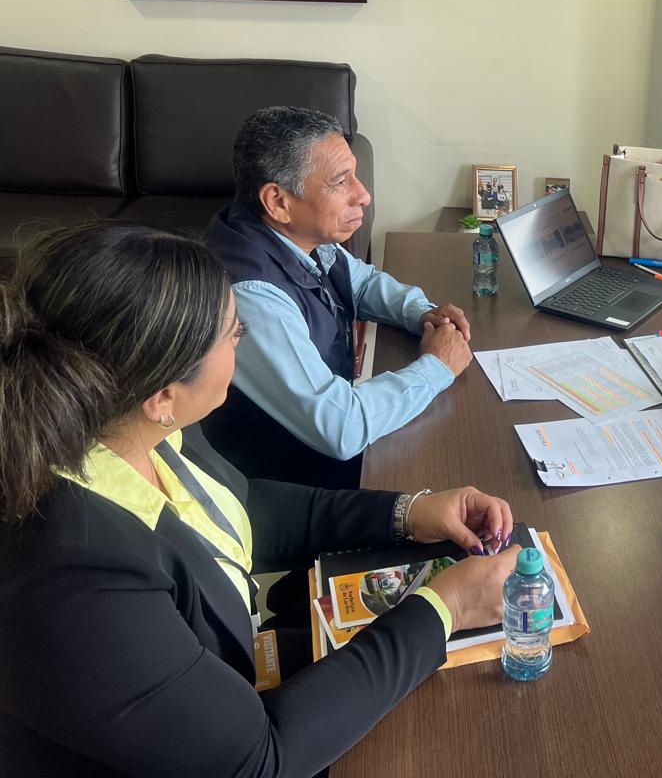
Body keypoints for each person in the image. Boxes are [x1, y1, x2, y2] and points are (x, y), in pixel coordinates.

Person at [0, 222, 519, 778]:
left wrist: (406, 512)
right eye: (234, 333)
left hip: (234, 674)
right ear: (163, 395)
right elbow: (258, 760)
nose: (243, 343)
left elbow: (243, 507)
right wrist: (446, 608)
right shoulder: (75, 579)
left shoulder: (134, 426)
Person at [203, 106, 474, 489]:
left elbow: (360, 283)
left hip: (321, 440)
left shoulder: (293, 234)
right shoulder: (252, 296)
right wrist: (437, 367)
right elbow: (341, 427)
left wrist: (420, 312)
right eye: (340, 182)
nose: (363, 195)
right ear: (277, 201)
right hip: (290, 481)